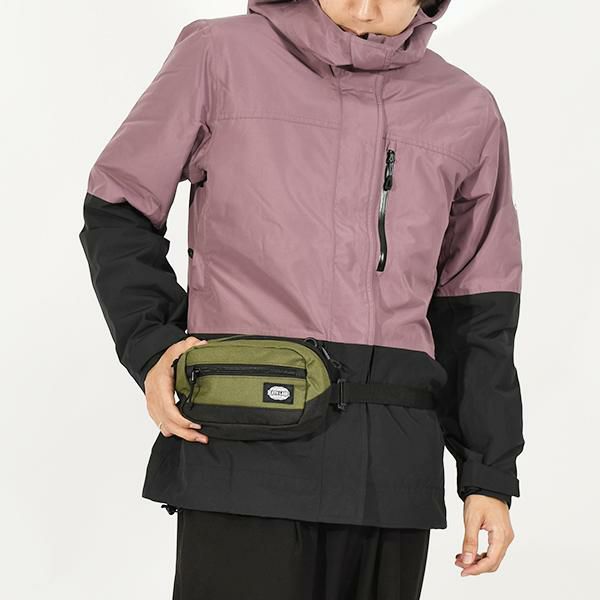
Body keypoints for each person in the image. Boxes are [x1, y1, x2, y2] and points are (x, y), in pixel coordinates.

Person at [78, 0, 524, 598]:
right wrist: (153, 345)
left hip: (389, 470)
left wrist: (488, 473)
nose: (364, 8)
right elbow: (118, 209)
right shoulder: (219, 55)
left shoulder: (466, 108)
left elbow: (476, 308)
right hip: (245, 447)